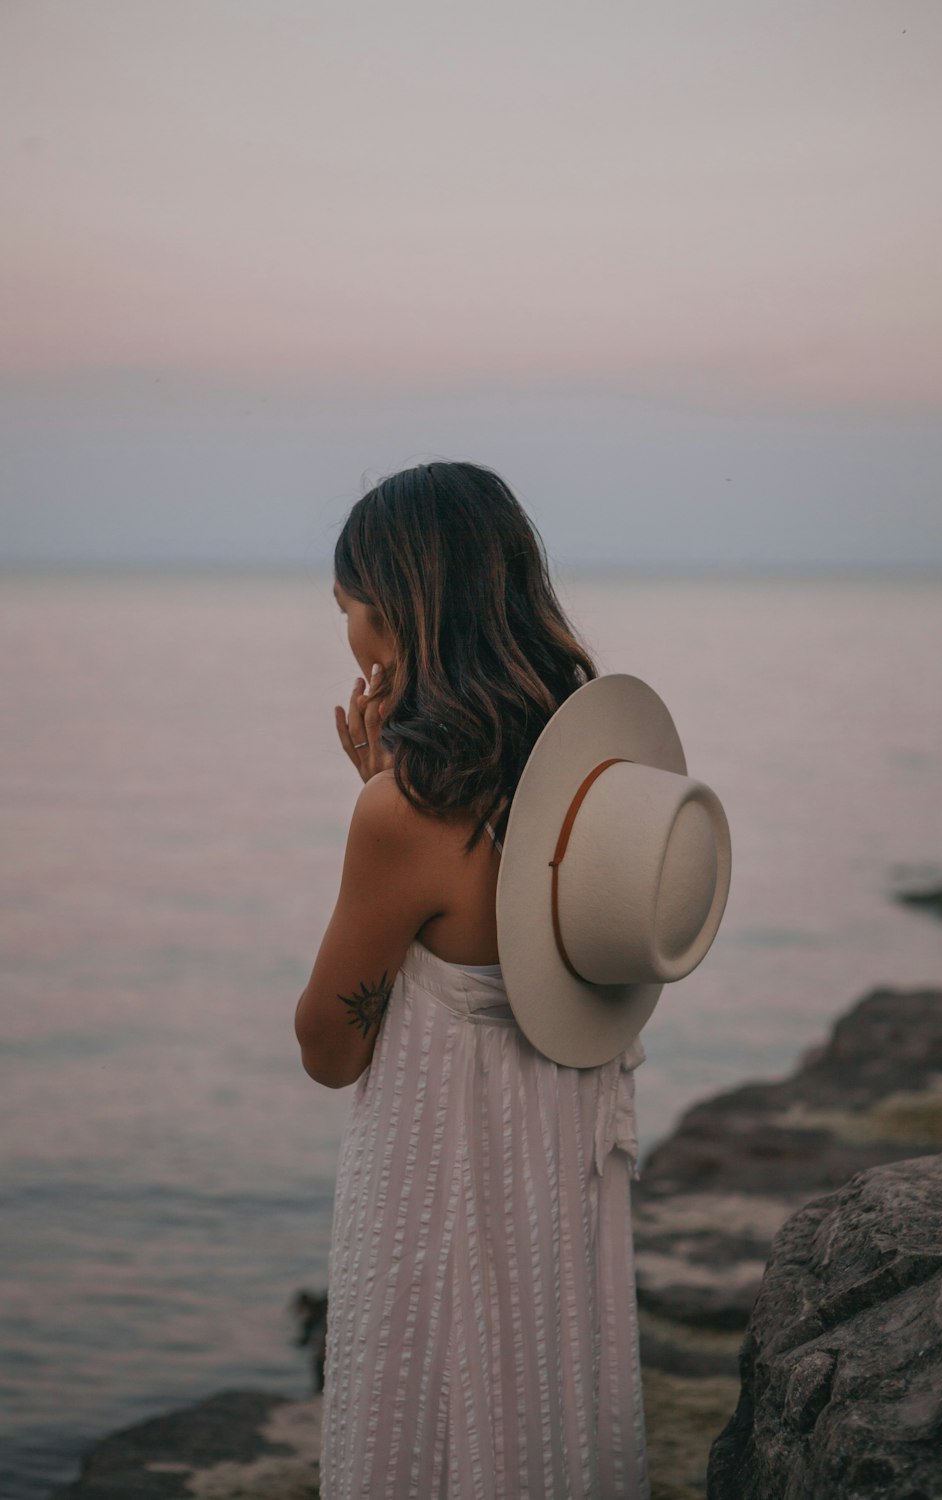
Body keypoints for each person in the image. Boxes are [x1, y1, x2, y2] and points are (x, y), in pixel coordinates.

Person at [295, 460, 651, 1499]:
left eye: (349, 607)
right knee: (539, 1401)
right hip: (553, 1164)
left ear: (399, 614)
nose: (349, 636)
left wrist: (376, 806)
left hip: (442, 1174)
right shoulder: (595, 774)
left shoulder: (406, 812)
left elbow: (328, 1046)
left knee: (432, 1411)